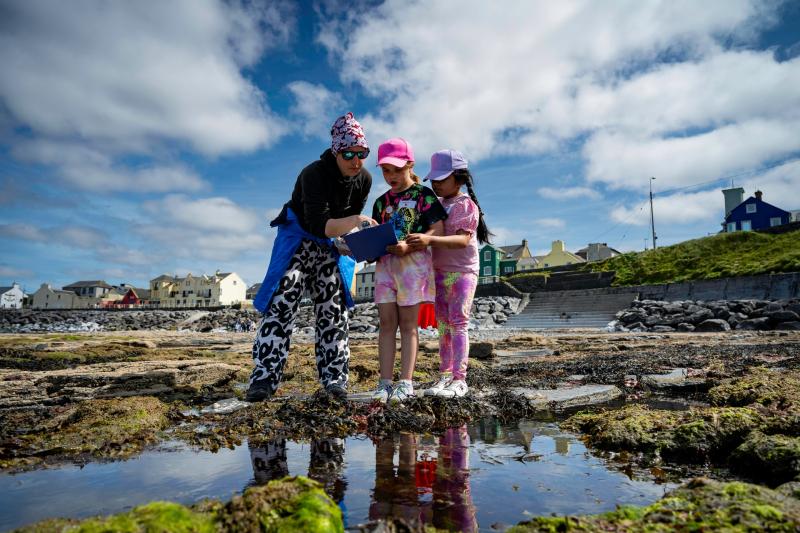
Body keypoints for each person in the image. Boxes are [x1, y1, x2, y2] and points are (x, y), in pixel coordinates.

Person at [247, 112, 375, 402]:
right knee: (282, 302)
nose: (356, 160)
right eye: (348, 154)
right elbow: (322, 225)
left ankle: (335, 380)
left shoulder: (364, 179)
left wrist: (353, 238)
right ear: (335, 151)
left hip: (331, 243)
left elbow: (340, 227)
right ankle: (264, 379)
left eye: (362, 153)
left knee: (333, 309)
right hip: (300, 238)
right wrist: (356, 220)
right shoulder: (313, 173)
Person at [406, 150, 491, 398]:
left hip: (463, 272)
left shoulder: (465, 205)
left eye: (441, 179)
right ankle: (445, 375)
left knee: (459, 323)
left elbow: (464, 240)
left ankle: (460, 379)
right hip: (440, 272)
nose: (436, 184)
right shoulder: (438, 205)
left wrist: (429, 239)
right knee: (443, 325)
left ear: (460, 178)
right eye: (434, 180)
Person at [370, 138, 447, 403]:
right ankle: (384, 382)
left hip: (412, 267)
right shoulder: (380, 203)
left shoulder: (424, 195)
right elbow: (377, 233)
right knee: (386, 324)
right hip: (385, 268)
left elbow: (437, 230)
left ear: (410, 164)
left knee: (408, 326)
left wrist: (417, 242)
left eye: (396, 169)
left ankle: (406, 382)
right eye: (385, 170)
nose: (390, 176)